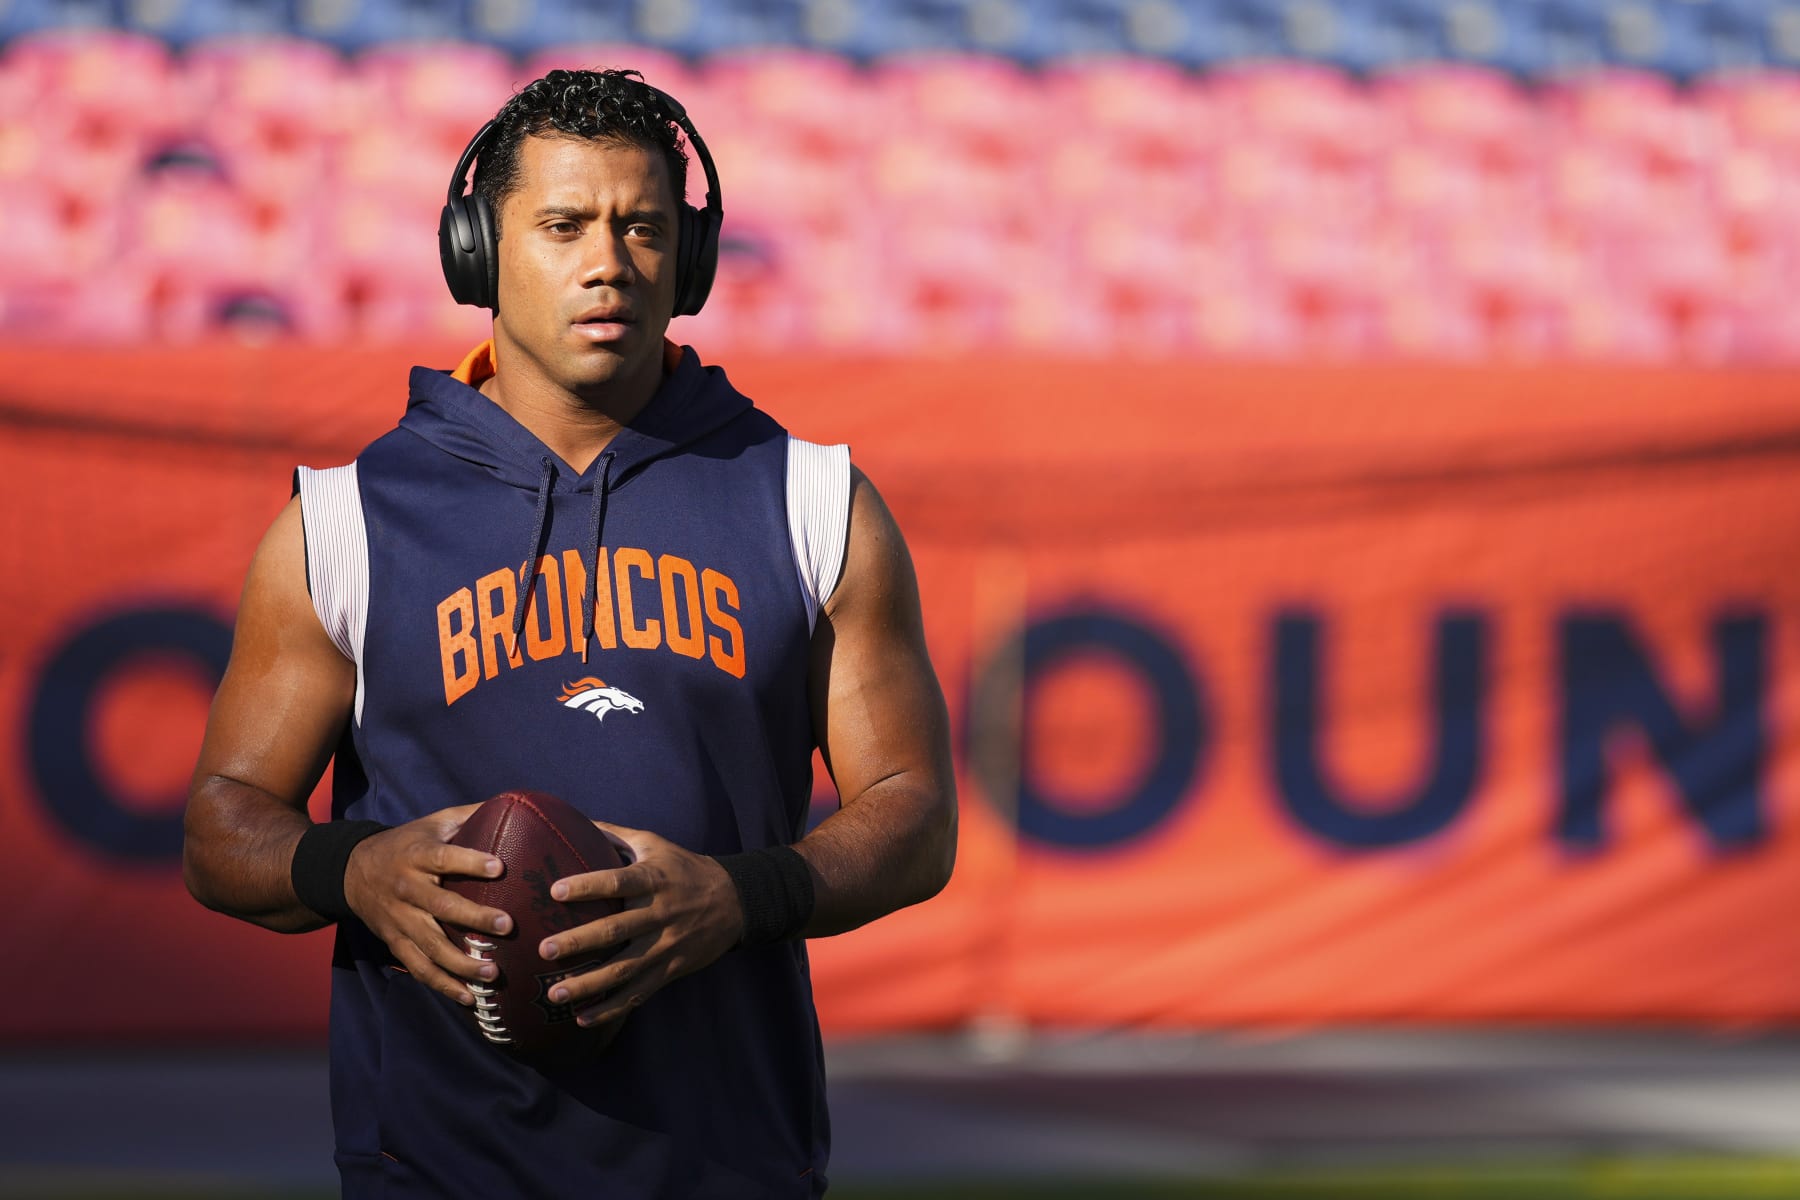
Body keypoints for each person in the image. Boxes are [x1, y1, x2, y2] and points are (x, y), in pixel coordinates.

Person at [182, 67, 957, 1198]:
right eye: (563, 226)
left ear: (688, 261)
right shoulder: (346, 521)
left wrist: (742, 895)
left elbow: (915, 815)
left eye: (644, 227)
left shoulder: (812, 499)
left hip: (729, 1163)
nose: (608, 263)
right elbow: (219, 826)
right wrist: (357, 870)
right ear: (477, 252)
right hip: (433, 1170)